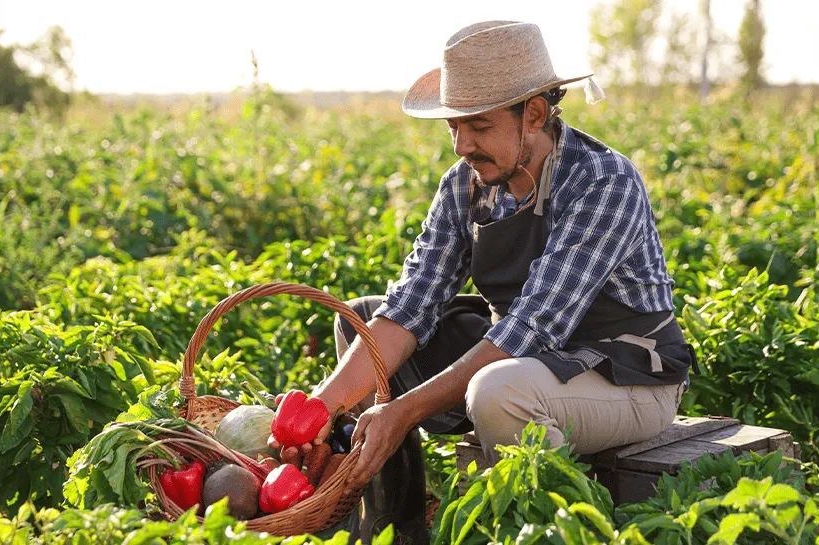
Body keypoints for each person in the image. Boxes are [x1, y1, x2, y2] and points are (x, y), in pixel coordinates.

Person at [271, 20, 698, 542]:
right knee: (363, 321)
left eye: (477, 125)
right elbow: (413, 304)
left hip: (625, 374)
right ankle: (395, 529)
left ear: (534, 115)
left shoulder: (603, 181)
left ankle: (526, 527)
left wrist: (401, 412)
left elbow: (533, 328)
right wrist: (318, 409)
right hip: (523, 361)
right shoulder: (464, 186)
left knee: (498, 392)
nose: (460, 145)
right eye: (453, 125)